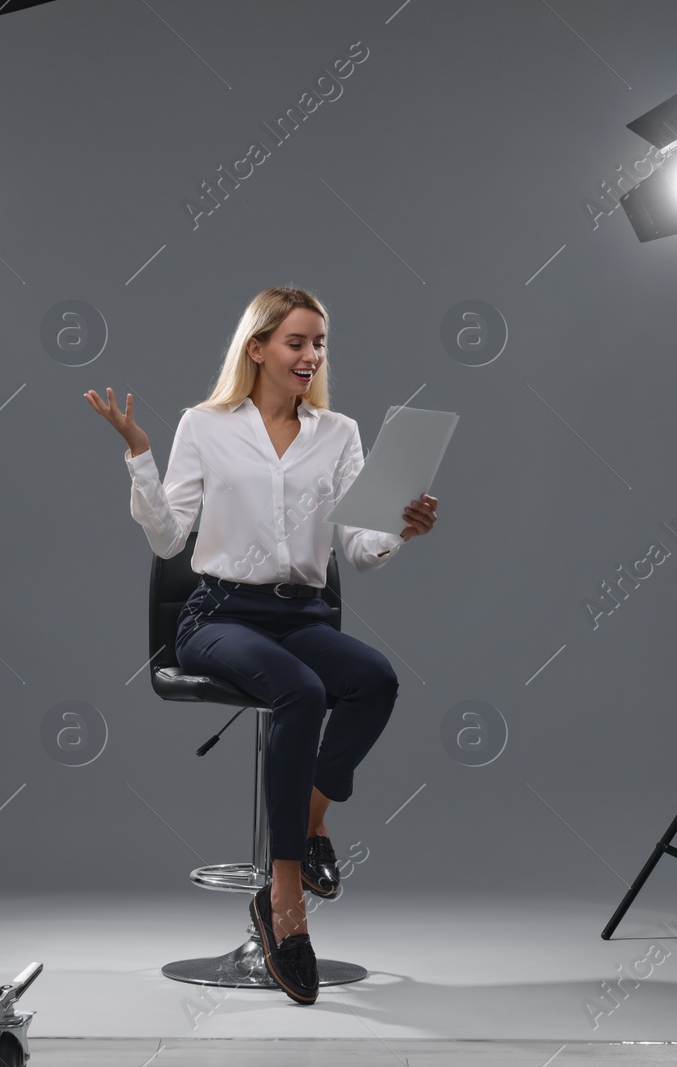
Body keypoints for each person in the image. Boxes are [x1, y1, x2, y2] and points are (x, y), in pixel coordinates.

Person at [85, 286, 438, 1005]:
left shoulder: (339, 433)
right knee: (301, 691)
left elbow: (360, 550)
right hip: (218, 615)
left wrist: (401, 527)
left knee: (375, 680)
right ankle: (285, 903)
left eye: (319, 344)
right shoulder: (204, 426)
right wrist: (140, 456)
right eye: (297, 342)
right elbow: (166, 537)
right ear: (258, 348)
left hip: (303, 614)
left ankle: (310, 824)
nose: (311, 356)